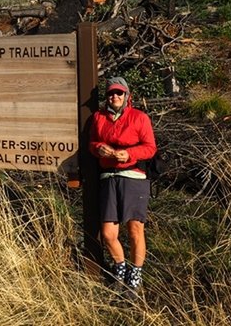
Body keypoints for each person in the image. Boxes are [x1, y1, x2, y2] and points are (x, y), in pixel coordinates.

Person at [89, 76, 157, 296]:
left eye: (119, 93)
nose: (114, 96)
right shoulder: (98, 117)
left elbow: (150, 148)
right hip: (108, 177)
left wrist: (130, 153)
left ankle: (135, 277)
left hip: (134, 177)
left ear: (127, 96)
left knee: (135, 229)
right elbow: (91, 143)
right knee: (108, 233)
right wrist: (99, 148)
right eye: (111, 93)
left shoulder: (139, 117)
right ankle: (120, 269)